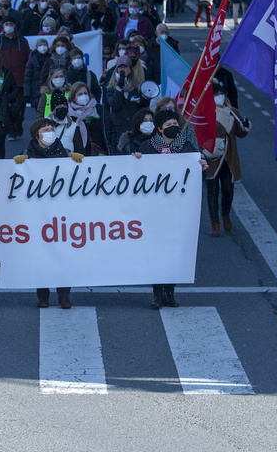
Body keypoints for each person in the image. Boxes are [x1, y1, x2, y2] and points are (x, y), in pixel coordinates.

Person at [135, 109, 208, 309]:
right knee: (157, 252)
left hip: (178, 210)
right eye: (168, 125)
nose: (173, 127)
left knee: (175, 251)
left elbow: (194, 182)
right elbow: (136, 175)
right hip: (154, 211)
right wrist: (135, 161)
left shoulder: (187, 148)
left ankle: (170, 291)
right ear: (159, 129)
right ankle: (157, 292)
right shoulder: (147, 148)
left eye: (175, 123)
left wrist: (200, 169)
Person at [13, 117, 84, 309]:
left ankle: (64, 295)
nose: (49, 132)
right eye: (45, 130)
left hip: (61, 214)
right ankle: (42, 296)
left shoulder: (65, 154)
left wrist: (78, 162)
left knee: (63, 254)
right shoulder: (26, 155)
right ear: (36, 135)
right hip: (37, 215)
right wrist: (16, 165)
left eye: (51, 128)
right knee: (40, 255)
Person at [203, 82, 250, 237]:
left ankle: (225, 214)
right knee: (212, 191)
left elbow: (241, 133)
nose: (220, 97)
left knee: (228, 190)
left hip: (229, 158)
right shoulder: (204, 113)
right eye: (216, 94)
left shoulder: (233, 112)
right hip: (212, 158)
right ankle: (215, 224)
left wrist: (245, 125)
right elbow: (198, 134)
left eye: (222, 93)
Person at [104, 55, 145, 155]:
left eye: (125, 67)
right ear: (117, 69)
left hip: (133, 128)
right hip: (118, 129)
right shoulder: (111, 88)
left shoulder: (136, 87)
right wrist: (119, 87)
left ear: (130, 69)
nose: (123, 69)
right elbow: (115, 105)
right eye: (120, 67)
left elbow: (141, 106)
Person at [67, 82, 107, 155]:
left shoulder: (99, 109)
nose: (84, 96)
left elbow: (110, 131)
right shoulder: (68, 113)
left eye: (85, 93)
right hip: (77, 156)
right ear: (73, 97)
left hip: (99, 154)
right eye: (80, 94)